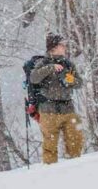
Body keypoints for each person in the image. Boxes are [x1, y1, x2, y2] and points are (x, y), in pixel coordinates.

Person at [28, 34, 84, 164]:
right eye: (62, 45)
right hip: (48, 110)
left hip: (68, 109)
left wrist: (70, 79)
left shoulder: (68, 64)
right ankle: (50, 172)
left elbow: (79, 83)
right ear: (53, 48)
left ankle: (76, 168)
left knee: (76, 141)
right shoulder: (43, 63)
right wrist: (50, 68)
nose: (65, 47)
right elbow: (33, 78)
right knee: (50, 146)